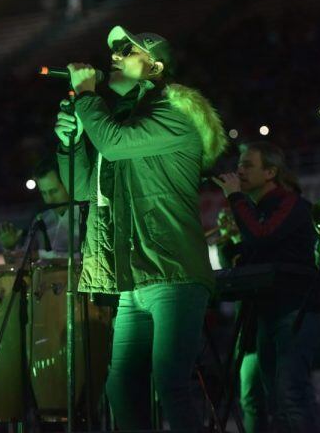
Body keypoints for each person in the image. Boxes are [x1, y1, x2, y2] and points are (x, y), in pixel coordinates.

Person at [54, 25, 227, 431]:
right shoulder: (126, 120)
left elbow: (112, 143)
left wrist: (87, 98)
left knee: (170, 384)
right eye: (113, 49)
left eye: (126, 50)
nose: (113, 55)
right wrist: (71, 143)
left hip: (174, 272)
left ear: (156, 66)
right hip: (134, 277)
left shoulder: (176, 112)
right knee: (122, 387)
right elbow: (83, 188)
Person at [215, 141, 320, 432]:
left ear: (271, 172)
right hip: (268, 313)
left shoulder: (290, 203)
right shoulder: (257, 208)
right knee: (276, 400)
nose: (239, 170)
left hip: (294, 311)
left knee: (290, 397)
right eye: (239, 164)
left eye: (248, 165)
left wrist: (236, 197)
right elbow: (248, 257)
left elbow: (262, 236)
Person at [213, 207, 269, 433]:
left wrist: (240, 233)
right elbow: (229, 269)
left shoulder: (258, 240)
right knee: (249, 398)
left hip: (265, 323)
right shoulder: (233, 246)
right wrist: (227, 239)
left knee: (278, 397)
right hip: (246, 332)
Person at [0, 158, 81, 263]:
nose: (49, 199)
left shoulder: (87, 217)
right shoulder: (41, 220)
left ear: (68, 184)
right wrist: (10, 247)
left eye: (54, 191)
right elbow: (22, 266)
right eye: (44, 193)